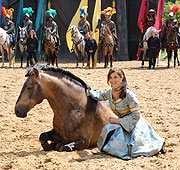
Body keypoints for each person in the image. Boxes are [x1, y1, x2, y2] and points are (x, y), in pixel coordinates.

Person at [87, 68, 166, 159]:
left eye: (115, 77)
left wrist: (118, 121)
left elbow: (136, 115)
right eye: (110, 77)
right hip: (121, 123)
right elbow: (100, 95)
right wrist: (88, 92)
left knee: (135, 150)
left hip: (134, 123)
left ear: (122, 78)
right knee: (108, 131)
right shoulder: (110, 93)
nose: (113, 80)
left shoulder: (129, 95)